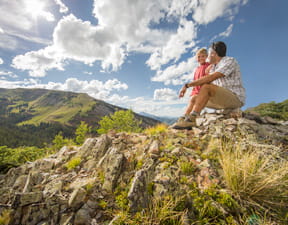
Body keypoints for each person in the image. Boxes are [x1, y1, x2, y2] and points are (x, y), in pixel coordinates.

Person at [172, 41, 245, 130]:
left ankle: (192, 119)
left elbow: (210, 78)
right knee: (194, 98)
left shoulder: (229, 61)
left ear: (214, 54)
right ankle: (185, 118)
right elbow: (207, 74)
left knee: (206, 87)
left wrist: (187, 85)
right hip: (221, 100)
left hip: (234, 98)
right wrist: (208, 69)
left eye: (209, 53)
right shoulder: (213, 67)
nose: (207, 57)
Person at [178, 48, 210, 122]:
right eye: (198, 57)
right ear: (196, 58)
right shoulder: (197, 69)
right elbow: (195, 80)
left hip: (203, 90)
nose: (200, 58)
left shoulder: (208, 65)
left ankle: (191, 117)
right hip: (196, 90)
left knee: (194, 100)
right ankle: (185, 116)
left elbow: (208, 78)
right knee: (191, 100)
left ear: (206, 57)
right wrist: (193, 90)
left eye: (203, 56)